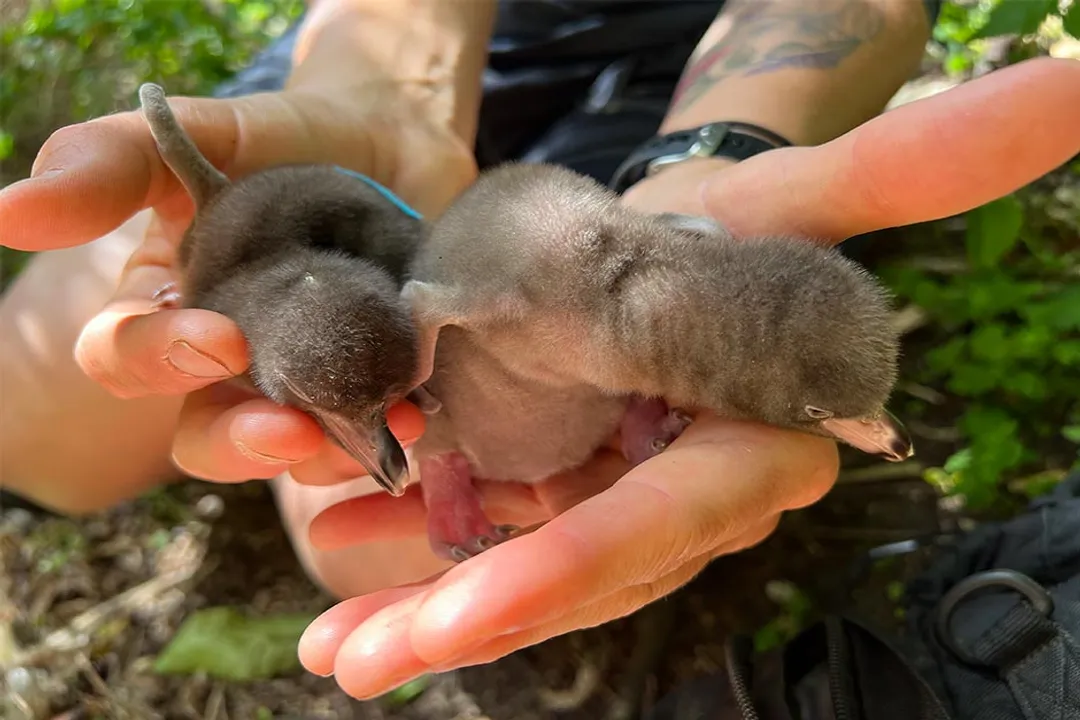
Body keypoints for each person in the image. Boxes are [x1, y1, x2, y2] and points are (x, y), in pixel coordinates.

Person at [1, 0, 1078, 702]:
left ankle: (371, 435)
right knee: (46, 432)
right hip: (425, 77)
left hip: (656, 117)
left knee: (361, 472)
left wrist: (719, 150)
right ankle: (347, 422)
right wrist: (396, 97)